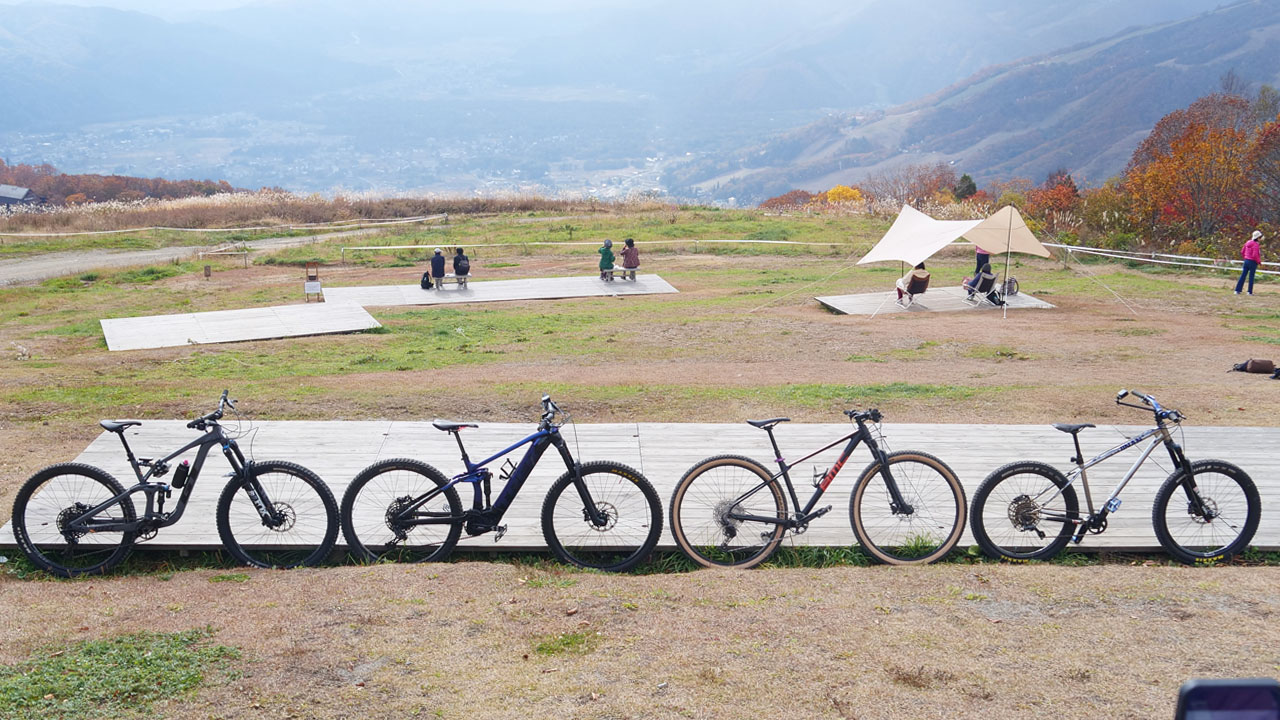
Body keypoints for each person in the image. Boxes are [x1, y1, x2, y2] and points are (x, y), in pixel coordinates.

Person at [1235, 230, 1263, 295]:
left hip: (1246, 260)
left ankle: (1237, 290)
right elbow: (1255, 255)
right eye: (1260, 237)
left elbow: (1242, 251)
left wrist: (1246, 257)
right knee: (1251, 277)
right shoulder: (1256, 244)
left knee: (1243, 275)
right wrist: (1259, 261)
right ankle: (1249, 291)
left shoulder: (1247, 242)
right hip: (1252, 262)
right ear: (1258, 238)